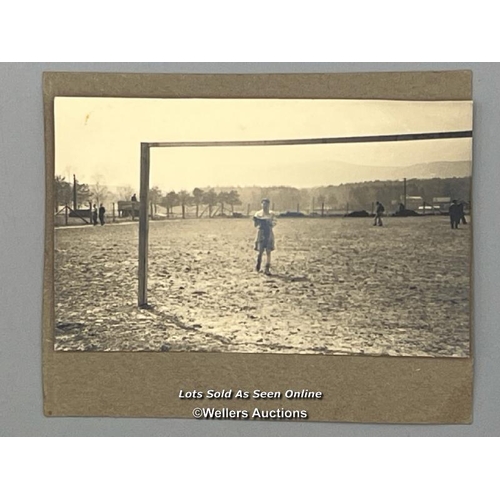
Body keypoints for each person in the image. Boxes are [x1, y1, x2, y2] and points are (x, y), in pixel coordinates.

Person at [253, 198, 277, 275]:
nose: (265, 206)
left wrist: (269, 222)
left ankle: (267, 268)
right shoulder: (258, 214)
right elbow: (255, 225)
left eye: (266, 204)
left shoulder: (271, 214)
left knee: (268, 251)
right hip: (261, 232)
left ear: (269, 205)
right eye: (263, 204)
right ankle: (258, 265)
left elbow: (274, 223)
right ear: (261, 204)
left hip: (269, 232)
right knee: (260, 251)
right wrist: (256, 221)